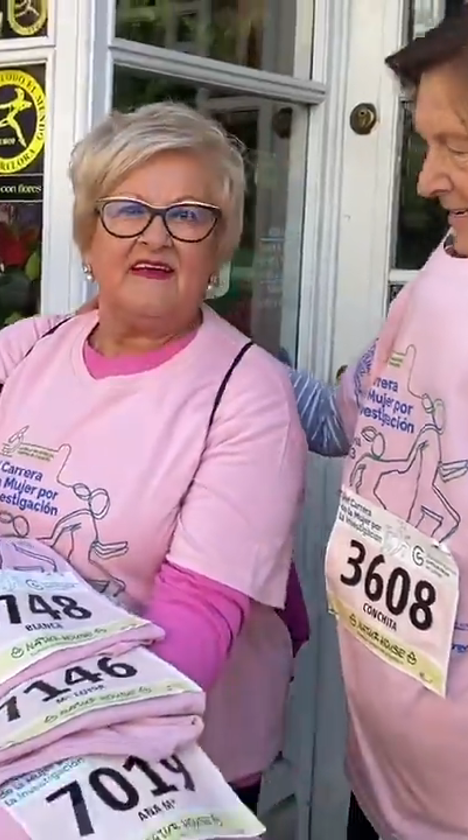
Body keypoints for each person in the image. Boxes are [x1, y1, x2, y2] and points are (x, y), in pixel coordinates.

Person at [0, 101, 307, 809]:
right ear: (87, 235)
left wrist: (42, 751)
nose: (155, 238)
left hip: (169, 770)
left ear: (220, 249)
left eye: (189, 216)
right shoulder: (21, 352)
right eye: (126, 210)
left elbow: (197, 619)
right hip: (6, 723)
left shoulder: (248, 392)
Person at [284, 15, 468, 840]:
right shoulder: (444, 267)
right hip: (385, 787)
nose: (429, 181)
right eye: (425, 143)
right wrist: (204, 352)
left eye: (458, 147)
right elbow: (346, 420)